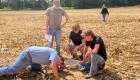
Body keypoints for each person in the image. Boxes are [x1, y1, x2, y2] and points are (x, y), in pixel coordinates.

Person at [0, 46, 65, 80]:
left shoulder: (54, 56)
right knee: (13, 69)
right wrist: (58, 78)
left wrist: (60, 68)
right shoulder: (55, 54)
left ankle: (30, 69)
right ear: (60, 60)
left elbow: (53, 65)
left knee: (37, 70)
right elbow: (52, 65)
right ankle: (1, 71)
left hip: (32, 57)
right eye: (60, 64)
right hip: (28, 56)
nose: (58, 65)